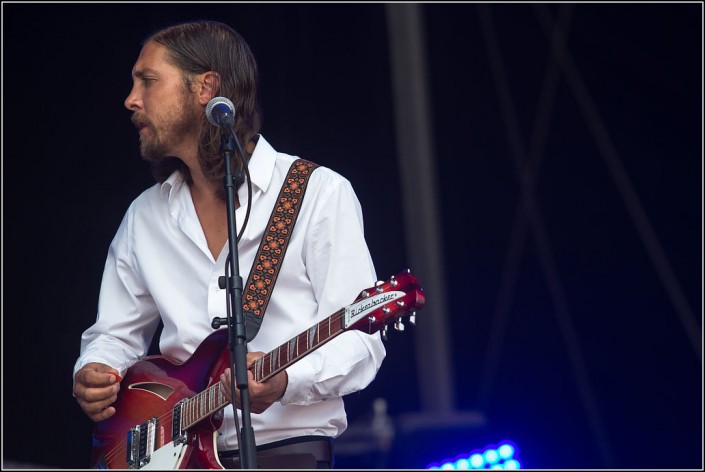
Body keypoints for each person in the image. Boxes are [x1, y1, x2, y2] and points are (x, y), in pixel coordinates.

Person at [72, 19, 386, 469]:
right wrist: (96, 369)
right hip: (175, 456)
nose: (131, 99)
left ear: (206, 88)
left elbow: (362, 341)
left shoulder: (316, 194)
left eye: (148, 80)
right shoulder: (145, 215)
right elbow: (114, 335)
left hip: (288, 453)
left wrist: (287, 380)